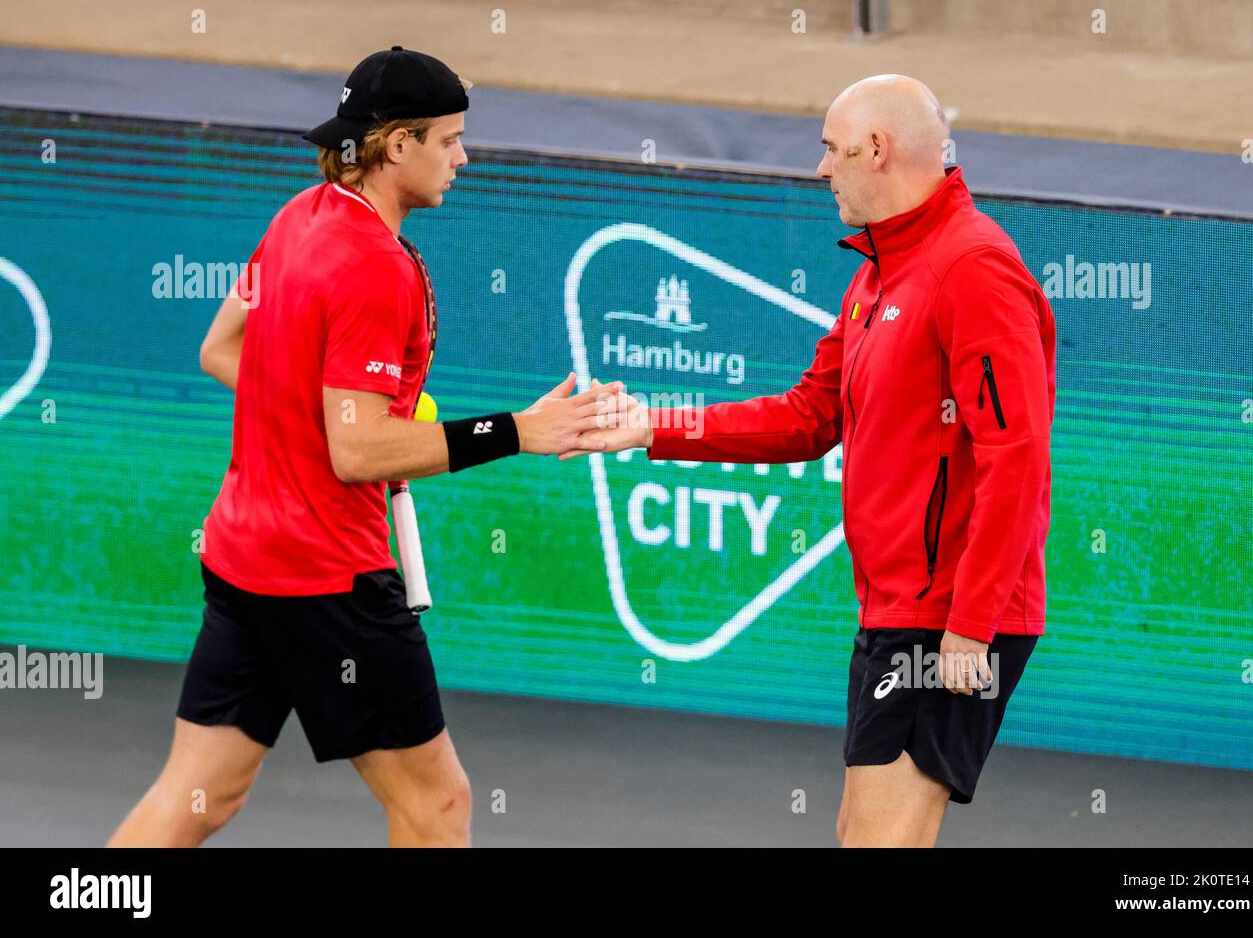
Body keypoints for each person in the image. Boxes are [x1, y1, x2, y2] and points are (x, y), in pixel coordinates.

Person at [108, 47, 613, 848]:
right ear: (397, 144)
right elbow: (360, 454)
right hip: (327, 579)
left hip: (245, 555)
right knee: (436, 804)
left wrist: (338, 417)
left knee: (199, 793)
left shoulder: (298, 215)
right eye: (448, 140)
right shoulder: (377, 269)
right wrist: (517, 430)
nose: (463, 157)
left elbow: (223, 348)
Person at [579, 74, 1056, 847]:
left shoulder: (973, 269)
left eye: (831, 151)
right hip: (898, 609)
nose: (821, 169)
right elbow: (809, 416)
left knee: (880, 838)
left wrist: (970, 626)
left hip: (952, 617)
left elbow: (1016, 456)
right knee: (862, 833)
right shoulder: (875, 275)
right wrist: (651, 426)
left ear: (878, 149)